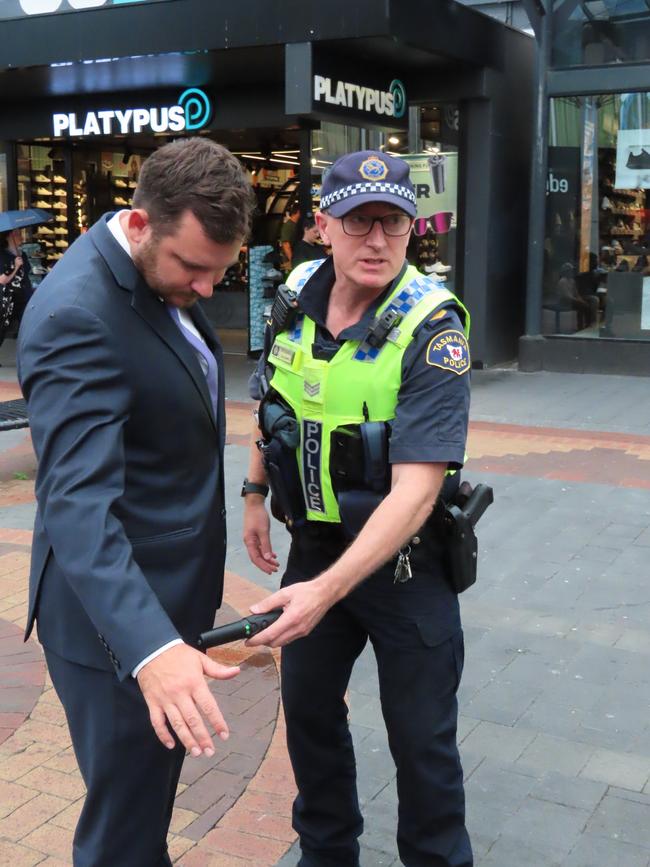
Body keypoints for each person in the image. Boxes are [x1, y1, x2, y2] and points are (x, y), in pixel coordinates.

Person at [17, 138, 256, 867]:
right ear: (140, 221)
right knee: (123, 834)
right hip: (116, 631)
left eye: (223, 271)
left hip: (164, 603)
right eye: (194, 267)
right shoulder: (77, 316)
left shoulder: (159, 279)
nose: (209, 289)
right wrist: (150, 649)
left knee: (144, 815)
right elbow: (76, 504)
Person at [243, 150, 473, 866]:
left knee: (421, 744)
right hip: (314, 550)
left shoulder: (433, 330)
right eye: (358, 221)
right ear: (322, 227)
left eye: (393, 224)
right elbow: (274, 401)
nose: (376, 240)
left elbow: (416, 490)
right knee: (309, 716)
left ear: (412, 230)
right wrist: (254, 492)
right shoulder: (296, 293)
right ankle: (327, 854)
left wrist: (325, 589)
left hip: (406, 567)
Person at [0, 228, 32, 345]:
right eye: (16, 234)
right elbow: (2, 280)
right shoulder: (2, 255)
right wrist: (15, 266)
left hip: (24, 296)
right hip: (9, 298)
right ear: (9, 237)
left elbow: (27, 274)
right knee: (2, 328)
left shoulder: (22, 254)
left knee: (28, 326)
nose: (20, 237)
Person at [280, 204, 301, 268]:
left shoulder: (297, 225)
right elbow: (286, 244)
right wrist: (292, 260)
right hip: (289, 259)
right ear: (298, 212)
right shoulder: (288, 226)